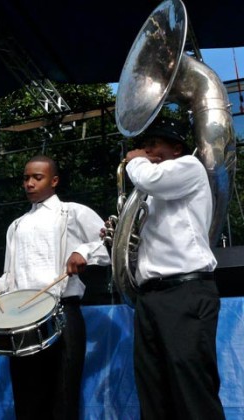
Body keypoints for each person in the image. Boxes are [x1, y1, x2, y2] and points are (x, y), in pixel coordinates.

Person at [0, 155, 110, 420]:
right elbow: (13, 276)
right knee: (27, 400)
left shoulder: (72, 212)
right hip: (23, 320)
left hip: (62, 312)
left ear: (54, 180)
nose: (29, 183)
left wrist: (81, 251)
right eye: (26, 178)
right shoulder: (16, 226)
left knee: (63, 397)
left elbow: (106, 242)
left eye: (37, 178)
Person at [123, 117, 225, 419]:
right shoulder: (151, 197)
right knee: (153, 392)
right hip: (151, 297)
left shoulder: (190, 167)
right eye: (143, 146)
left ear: (176, 148)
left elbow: (150, 178)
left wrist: (135, 161)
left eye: (153, 145)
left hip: (185, 291)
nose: (145, 151)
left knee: (192, 389)